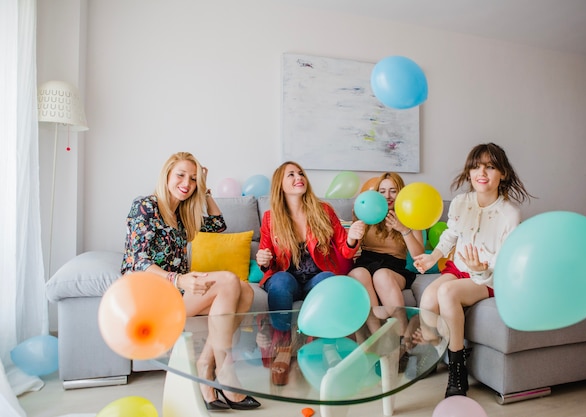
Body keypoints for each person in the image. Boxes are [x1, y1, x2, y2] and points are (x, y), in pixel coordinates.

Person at [121, 152, 260, 411]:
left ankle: (205, 368)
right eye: (181, 175)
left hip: (175, 293)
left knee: (245, 291)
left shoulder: (184, 213)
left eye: (194, 179)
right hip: (150, 297)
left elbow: (218, 225)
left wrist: (205, 191)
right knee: (230, 281)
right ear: (167, 175)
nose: (187, 183)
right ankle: (224, 371)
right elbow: (138, 262)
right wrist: (179, 279)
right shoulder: (145, 206)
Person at [413, 143, 533, 398]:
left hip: (490, 277)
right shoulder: (461, 202)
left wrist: (480, 271)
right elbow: (450, 236)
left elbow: (506, 262)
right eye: (477, 166)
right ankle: (437, 349)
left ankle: (458, 369)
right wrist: (431, 256)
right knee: (428, 299)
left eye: (490, 167)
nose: (482, 172)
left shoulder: (510, 213)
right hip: (459, 269)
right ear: (469, 172)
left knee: (447, 294)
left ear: (503, 174)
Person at [255, 161, 365, 384]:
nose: (299, 177)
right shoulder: (270, 218)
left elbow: (344, 249)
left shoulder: (323, 210)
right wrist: (263, 260)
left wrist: (353, 236)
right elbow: (265, 256)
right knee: (281, 281)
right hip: (287, 280)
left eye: (301, 173)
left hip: (316, 278)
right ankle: (284, 348)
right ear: (280, 185)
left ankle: (328, 347)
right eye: (291, 175)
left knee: (329, 280)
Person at [348, 172, 425, 338]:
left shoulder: (410, 215)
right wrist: (356, 223)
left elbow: (419, 255)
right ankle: (377, 336)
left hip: (394, 267)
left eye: (393, 191)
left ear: (401, 193)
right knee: (357, 274)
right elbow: (350, 248)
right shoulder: (368, 212)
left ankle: (403, 334)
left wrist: (404, 230)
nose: (387, 196)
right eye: (382, 191)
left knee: (381, 275)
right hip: (367, 261)